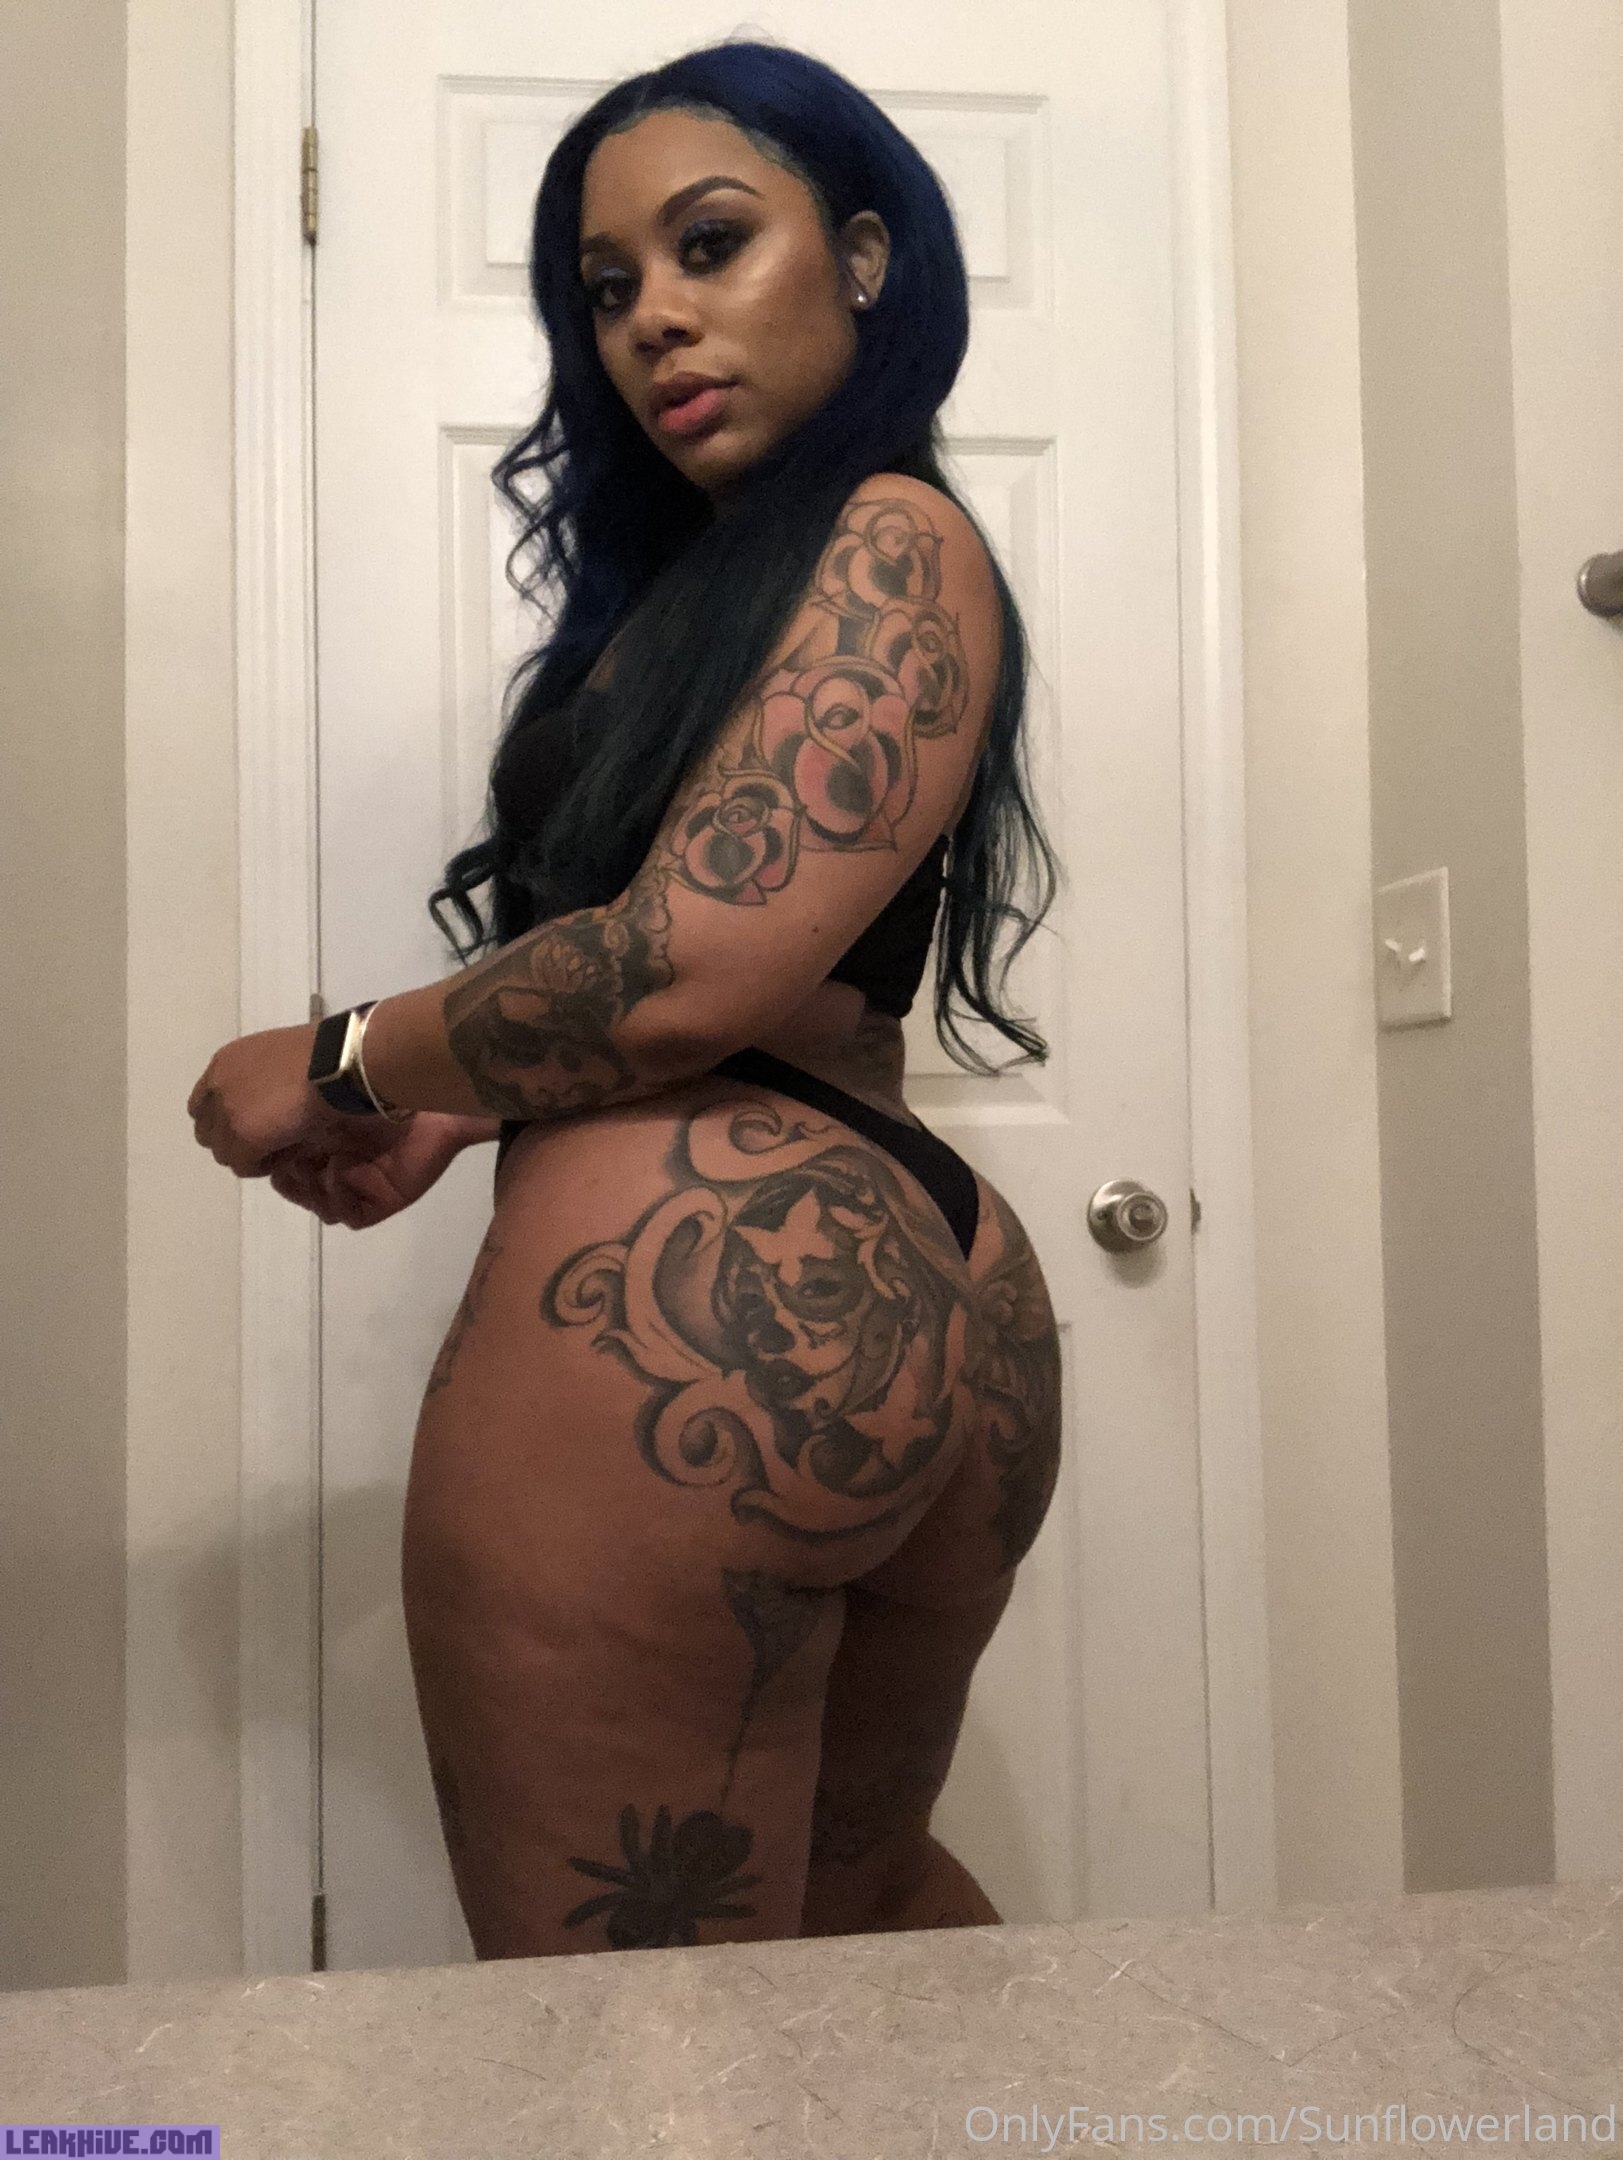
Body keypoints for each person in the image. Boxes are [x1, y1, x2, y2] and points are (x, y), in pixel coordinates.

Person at [188, 37, 1063, 1958]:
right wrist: (464, 1097)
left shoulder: (890, 530)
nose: (652, 314)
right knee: (864, 1920)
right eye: (607, 286)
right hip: (934, 1297)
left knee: (622, 2037)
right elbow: (724, 957)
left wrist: (343, 1060)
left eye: (711, 243)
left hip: (694, 1323)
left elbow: (688, 962)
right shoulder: (724, 589)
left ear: (864, 258)